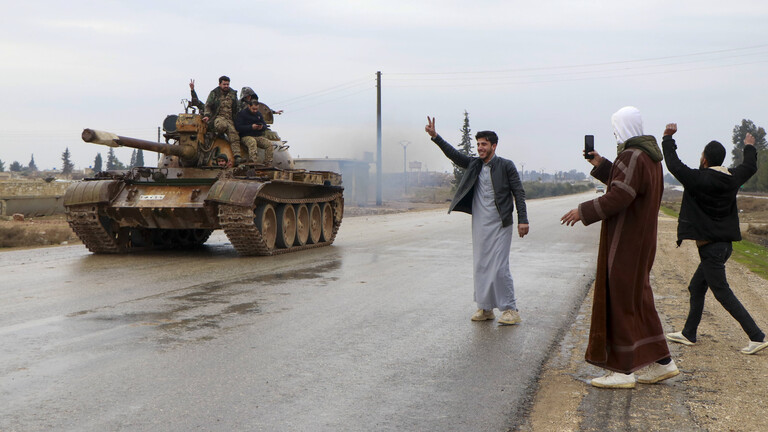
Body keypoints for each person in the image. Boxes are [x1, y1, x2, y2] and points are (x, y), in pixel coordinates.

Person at [560, 106, 679, 389]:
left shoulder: (631, 154)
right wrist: (601, 163)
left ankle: (622, 371)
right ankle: (664, 362)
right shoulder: (649, 156)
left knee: (621, 300)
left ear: (623, 128)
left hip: (626, 241)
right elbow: (625, 182)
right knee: (639, 299)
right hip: (642, 240)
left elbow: (621, 194)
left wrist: (584, 211)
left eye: (616, 128)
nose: (614, 133)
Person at [661, 124, 768, 355]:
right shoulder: (731, 178)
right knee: (696, 287)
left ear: (705, 160)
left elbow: (674, 165)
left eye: (701, 156)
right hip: (724, 247)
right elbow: (749, 166)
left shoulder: (698, 179)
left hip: (712, 250)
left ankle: (756, 335)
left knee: (722, 292)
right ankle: (689, 333)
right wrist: (749, 147)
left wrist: (668, 138)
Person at [424, 116, 529, 325]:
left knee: (499, 267)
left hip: (501, 224)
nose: (480, 148)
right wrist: (436, 137)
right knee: (481, 266)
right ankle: (485, 308)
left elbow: (519, 192)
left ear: (494, 146)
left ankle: (510, 309)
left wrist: (522, 220)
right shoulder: (474, 164)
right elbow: (454, 155)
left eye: (484, 144)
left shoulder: (506, 166)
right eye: (478, 144)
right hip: (480, 224)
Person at [203, 76, 243, 165]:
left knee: (234, 136)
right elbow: (208, 105)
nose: (226, 86)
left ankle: (237, 157)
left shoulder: (233, 93)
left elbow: (236, 107)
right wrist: (207, 115)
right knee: (221, 125)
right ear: (220, 84)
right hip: (218, 117)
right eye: (224, 84)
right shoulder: (214, 93)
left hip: (229, 118)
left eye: (227, 84)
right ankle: (219, 134)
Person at [235, 100, 275, 165]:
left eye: (256, 109)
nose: (255, 111)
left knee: (269, 144)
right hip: (245, 136)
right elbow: (238, 127)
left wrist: (261, 127)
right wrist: (251, 127)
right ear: (249, 106)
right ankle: (253, 163)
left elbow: (265, 125)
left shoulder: (258, 114)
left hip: (257, 136)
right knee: (252, 142)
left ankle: (268, 163)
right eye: (253, 109)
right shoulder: (242, 114)